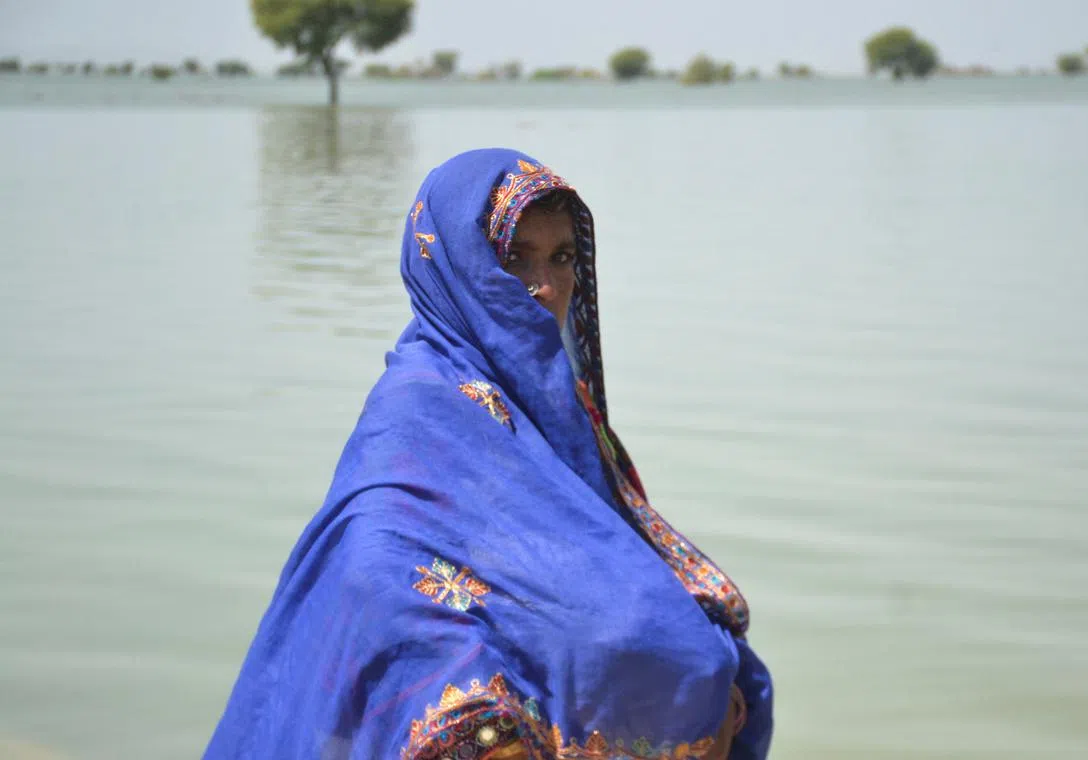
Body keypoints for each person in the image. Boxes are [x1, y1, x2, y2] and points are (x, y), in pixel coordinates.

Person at [204, 148, 774, 759]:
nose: (547, 288)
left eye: (562, 257)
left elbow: (607, 565)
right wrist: (473, 688)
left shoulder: (558, 405)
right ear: (459, 269)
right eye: (516, 261)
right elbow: (374, 569)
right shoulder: (420, 406)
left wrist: (690, 665)